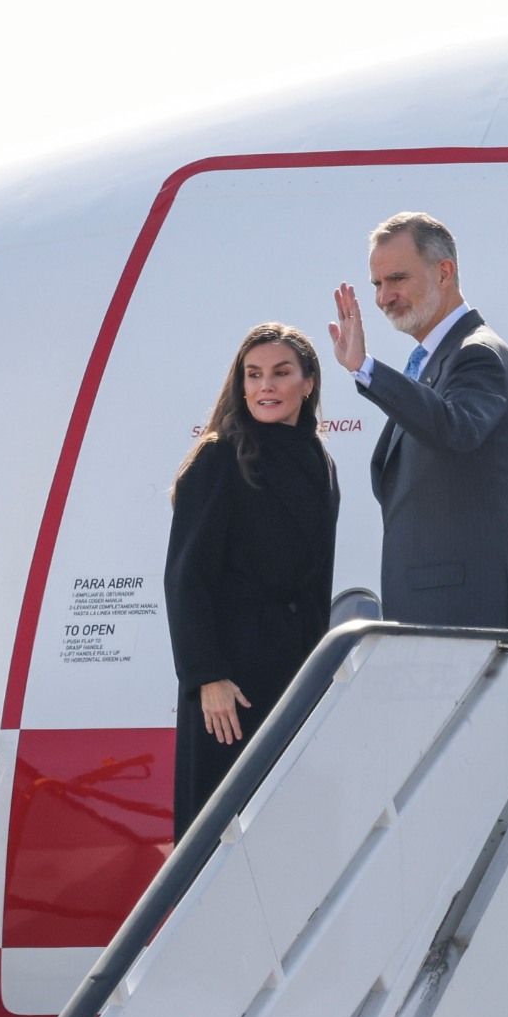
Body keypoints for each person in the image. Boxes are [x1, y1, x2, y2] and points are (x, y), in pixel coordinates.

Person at [329, 211, 508, 630]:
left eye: (397, 279)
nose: (383, 297)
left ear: (444, 272)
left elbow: (455, 429)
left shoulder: (476, 354)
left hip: (467, 611)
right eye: (377, 283)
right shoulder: (433, 361)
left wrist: (366, 369)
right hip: (437, 610)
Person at [165, 323, 339, 841]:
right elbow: (185, 578)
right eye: (254, 374)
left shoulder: (321, 462)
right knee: (224, 839)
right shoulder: (220, 456)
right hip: (230, 687)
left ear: (307, 383)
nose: (266, 386)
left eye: (281, 373)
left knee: (286, 834)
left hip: (295, 675)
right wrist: (206, 676)